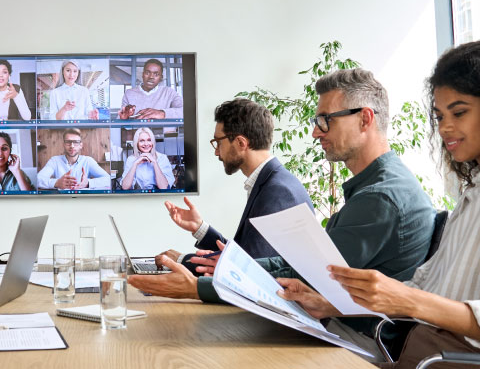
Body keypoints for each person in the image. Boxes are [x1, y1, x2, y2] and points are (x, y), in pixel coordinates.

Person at [129, 69, 435, 344]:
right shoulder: (375, 188)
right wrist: (223, 266)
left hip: (355, 337)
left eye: (325, 120)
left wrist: (200, 283)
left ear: (365, 119)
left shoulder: (380, 197)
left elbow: (308, 276)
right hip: (340, 325)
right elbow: (297, 264)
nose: (315, 132)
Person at [278, 41, 480, 367]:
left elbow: (415, 298)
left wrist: (406, 299)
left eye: (458, 112)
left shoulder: (383, 196)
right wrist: (335, 305)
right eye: (439, 116)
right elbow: (426, 288)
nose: (445, 128)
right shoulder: (471, 195)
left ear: (364, 120)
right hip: (420, 347)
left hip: (439, 356)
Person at [151, 98, 312, 273]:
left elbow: (249, 270)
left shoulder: (278, 191)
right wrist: (200, 228)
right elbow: (246, 256)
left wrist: (181, 260)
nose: (216, 151)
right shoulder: (272, 181)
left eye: (218, 142)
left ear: (241, 143)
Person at [37, 128, 109, 190]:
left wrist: (88, 183)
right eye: (68, 142)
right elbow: (38, 180)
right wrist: (56, 183)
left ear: (81, 145)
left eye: (76, 142)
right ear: (63, 144)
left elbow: (108, 179)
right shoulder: (54, 161)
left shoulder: (88, 161)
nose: (72, 146)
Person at [118, 59, 183, 120]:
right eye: (147, 73)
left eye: (156, 74)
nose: (151, 77)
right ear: (142, 75)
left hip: (162, 132)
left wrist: (162, 113)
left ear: (161, 77)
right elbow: (120, 117)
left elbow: (185, 111)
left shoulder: (169, 92)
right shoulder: (129, 93)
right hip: (136, 132)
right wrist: (124, 118)